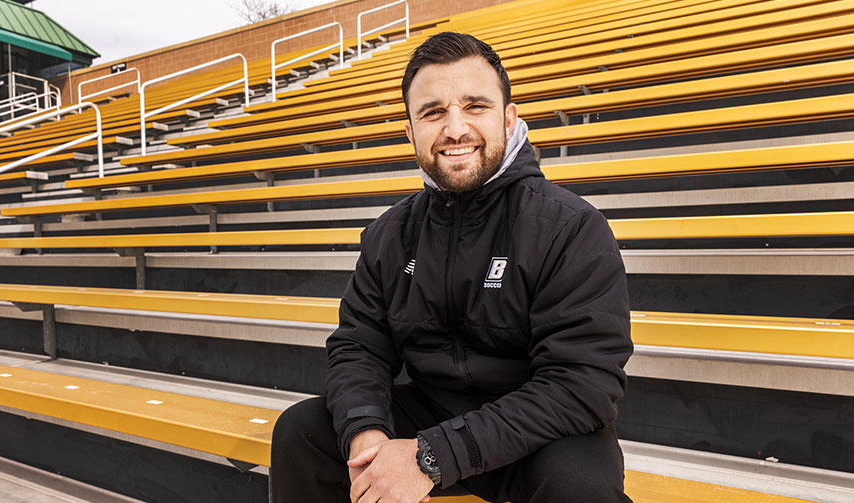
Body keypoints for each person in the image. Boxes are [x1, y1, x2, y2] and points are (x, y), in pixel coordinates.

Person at [271, 32, 633, 503]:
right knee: (302, 432)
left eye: (475, 105)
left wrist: (430, 457)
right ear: (410, 131)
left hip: (538, 431)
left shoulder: (570, 227)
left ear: (508, 118)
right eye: (433, 111)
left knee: (580, 486)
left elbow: (581, 385)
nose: (455, 128)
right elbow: (359, 348)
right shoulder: (390, 234)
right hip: (429, 412)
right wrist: (368, 438)